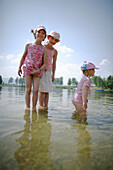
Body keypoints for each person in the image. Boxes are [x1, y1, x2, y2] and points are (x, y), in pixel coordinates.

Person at [18, 25, 47, 110]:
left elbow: (45, 64)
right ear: (35, 33)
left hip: (37, 71)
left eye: (43, 33)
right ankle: (28, 108)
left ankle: (33, 108)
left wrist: (39, 70)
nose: (40, 34)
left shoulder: (43, 49)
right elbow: (23, 57)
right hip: (28, 68)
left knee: (35, 90)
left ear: (44, 37)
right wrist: (19, 67)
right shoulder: (28, 45)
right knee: (28, 89)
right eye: (39, 32)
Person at [38, 31, 60, 110]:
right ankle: (41, 106)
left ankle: (46, 107)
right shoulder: (42, 47)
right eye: (52, 39)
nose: (53, 41)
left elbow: (54, 64)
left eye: (55, 40)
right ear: (48, 37)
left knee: (47, 91)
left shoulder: (55, 51)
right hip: (41, 71)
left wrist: (53, 74)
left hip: (49, 72)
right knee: (42, 91)